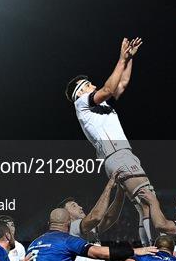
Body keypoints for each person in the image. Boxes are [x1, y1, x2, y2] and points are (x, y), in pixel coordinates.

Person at [65, 37, 155, 246]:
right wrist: (121, 59)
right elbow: (107, 88)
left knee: (145, 207)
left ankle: (150, 248)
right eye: (88, 84)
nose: (93, 85)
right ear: (80, 91)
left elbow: (120, 84)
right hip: (117, 154)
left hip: (119, 155)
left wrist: (129, 59)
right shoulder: (81, 103)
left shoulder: (99, 105)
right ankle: (155, 252)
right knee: (149, 200)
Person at [18, 208, 157, 261]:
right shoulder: (67, 240)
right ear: (68, 223)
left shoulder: (34, 242)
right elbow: (98, 253)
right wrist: (135, 250)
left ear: (49, 223)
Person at [61, 171, 125, 261]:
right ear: (66, 215)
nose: (80, 207)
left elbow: (110, 218)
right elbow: (96, 217)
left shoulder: (89, 230)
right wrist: (109, 185)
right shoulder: (71, 229)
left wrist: (121, 190)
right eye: (74, 206)